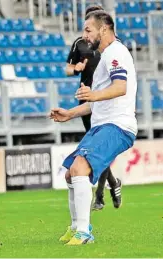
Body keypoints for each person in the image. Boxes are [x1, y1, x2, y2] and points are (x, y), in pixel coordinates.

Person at [51, 10, 137, 245]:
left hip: (117, 125)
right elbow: (96, 102)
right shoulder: (104, 58)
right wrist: (70, 113)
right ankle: (78, 226)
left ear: (104, 29)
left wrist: (94, 94)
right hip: (102, 125)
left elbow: (120, 87)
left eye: (88, 30)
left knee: (80, 168)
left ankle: (83, 232)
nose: (84, 36)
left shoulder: (116, 52)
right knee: (71, 173)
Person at [66, 5, 123, 211]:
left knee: (96, 151)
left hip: (106, 103)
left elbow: (121, 82)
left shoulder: (113, 47)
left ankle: (99, 195)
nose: (86, 33)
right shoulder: (79, 43)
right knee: (95, 151)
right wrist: (76, 69)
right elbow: (68, 69)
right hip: (88, 102)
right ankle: (111, 184)